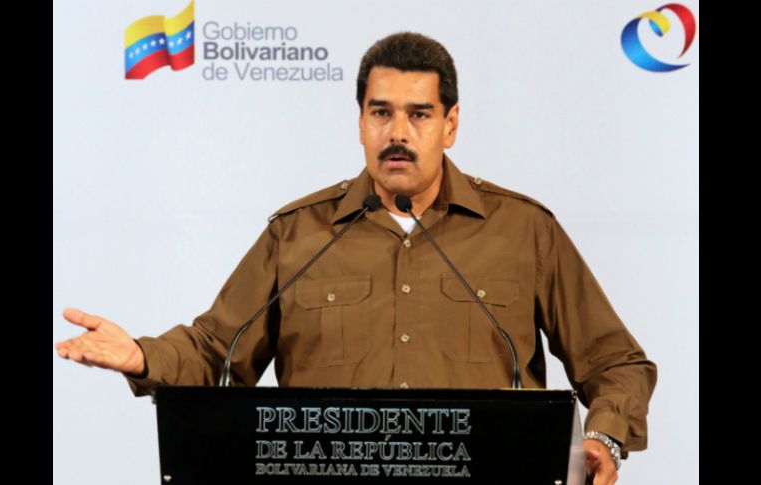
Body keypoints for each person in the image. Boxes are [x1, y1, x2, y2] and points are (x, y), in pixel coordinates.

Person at [56, 32, 656, 484]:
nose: (398, 133)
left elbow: (617, 363)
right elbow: (217, 351)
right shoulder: (298, 234)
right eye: (381, 112)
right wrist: (143, 357)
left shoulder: (523, 231)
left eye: (419, 114)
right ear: (361, 122)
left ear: (450, 125)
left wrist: (604, 437)